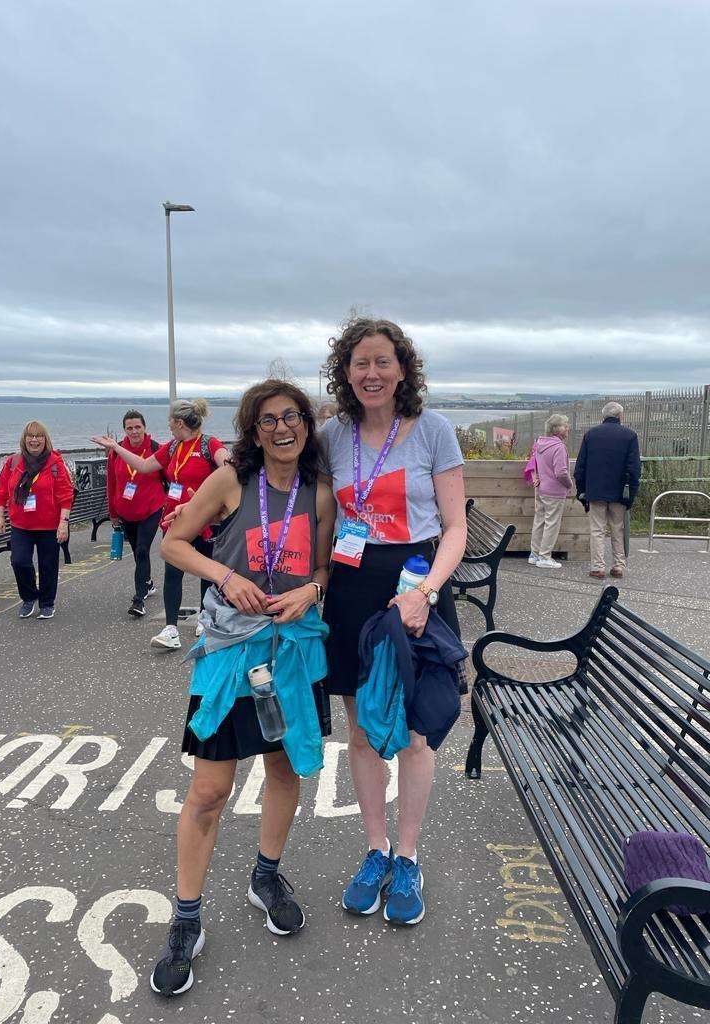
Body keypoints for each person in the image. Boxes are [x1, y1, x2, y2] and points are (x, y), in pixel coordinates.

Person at [150, 379, 335, 998]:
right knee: (208, 789)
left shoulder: (320, 490)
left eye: (292, 417)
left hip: (293, 651)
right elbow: (172, 543)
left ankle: (266, 875)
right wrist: (225, 576)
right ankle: (186, 919)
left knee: (286, 768)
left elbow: (325, 564)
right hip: (231, 653)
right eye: (268, 421)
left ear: (306, 423)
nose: (282, 429)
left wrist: (314, 588)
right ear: (253, 432)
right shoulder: (231, 481)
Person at [319, 317, 467, 927]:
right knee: (361, 729)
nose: (372, 373)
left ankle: (408, 855)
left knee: (411, 732)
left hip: (416, 584)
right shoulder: (331, 434)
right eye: (361, 363)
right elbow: (315, 512)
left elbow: (455, 525)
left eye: (383, 362)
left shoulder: (433, 431)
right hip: (353, 586)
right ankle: (374, 850)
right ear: (345, 373)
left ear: (403, 369)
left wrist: (427, 592)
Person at [92, 398, 230, 649]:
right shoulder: (173, 447)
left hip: (207, 519)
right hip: (176, 518)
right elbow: (144, 466)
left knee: (207, 570)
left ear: (178, 422)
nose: (168, 426)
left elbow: (229, 467)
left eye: (170, 422)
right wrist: (116, 448)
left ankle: (205, 615)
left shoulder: (209, 444)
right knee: (172, 571)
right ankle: (171, 629)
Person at [0, 421, 74, 620]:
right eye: (31, 436)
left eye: (39, 436)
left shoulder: (55, 464)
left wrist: (63, 523)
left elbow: (66, 495)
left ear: (45, 440)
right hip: (21, 525)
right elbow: (2, 490)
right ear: (24, 439)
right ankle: (29, 597)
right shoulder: (14, 462)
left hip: (49, 525)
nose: (35, 440)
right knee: (19, 561)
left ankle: (47, 603)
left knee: (48, 565)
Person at [106, 409, 166, 617]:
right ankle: (147, 583)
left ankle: (139, 600)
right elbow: (111, 484)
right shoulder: (116, 451)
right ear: (124, 430)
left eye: (137, 427)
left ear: (144, 427)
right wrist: (112, 513)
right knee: (137, 552)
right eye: (129, 428)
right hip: (126, 511)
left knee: (142, 550)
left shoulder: (156, 449)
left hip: (151, 509)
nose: (134, 431)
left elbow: (170, 477)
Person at [574, 401, 641, 579]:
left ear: (603, 416)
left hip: (595, 491)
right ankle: (618, 566)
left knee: (597, 529)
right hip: (620, 492)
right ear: (620, 416)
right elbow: (634, 469)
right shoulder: (630, 436)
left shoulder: (591, 435)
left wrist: (582, 492)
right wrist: (631, 494)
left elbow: (580, 467)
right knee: (617, 528)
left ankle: (598, 567)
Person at [528, 414, 574, 569]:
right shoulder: (559, 447)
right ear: (558, 429)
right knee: (552, 523)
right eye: (566, 425)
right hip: (555, 491)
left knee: (539, 521)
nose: (568, 428)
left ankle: (534, 554)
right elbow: (561, 472)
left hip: (541, 489)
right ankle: (545, 556)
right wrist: (569, 484)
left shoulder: (540, 443)